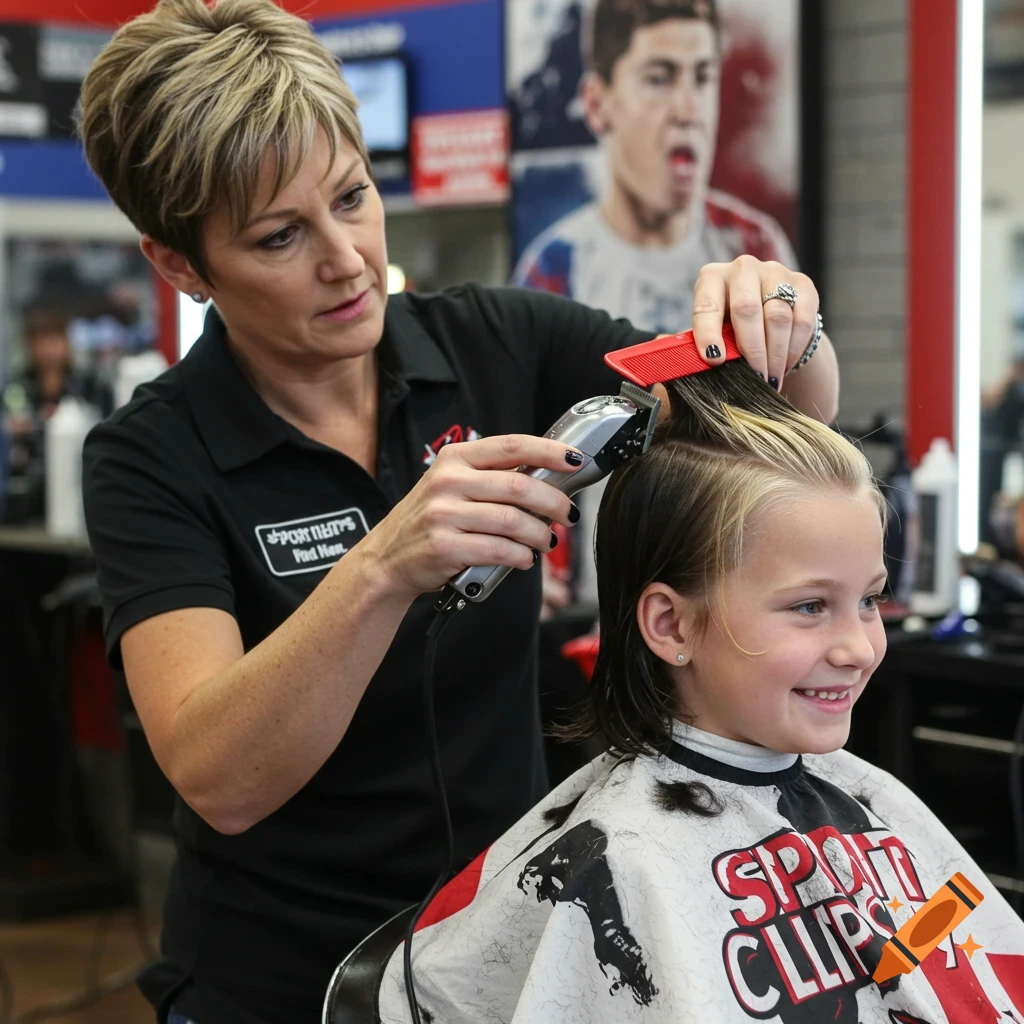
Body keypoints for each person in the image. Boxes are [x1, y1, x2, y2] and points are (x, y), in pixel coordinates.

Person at [74, 0, 838, 1020]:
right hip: (278, 981)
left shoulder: (500, 341)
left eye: (351, 197)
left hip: (507, 952)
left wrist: (785, 319)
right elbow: (221, 775)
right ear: (179, 264)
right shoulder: (151, 456)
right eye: (279, 236)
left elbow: (767, 424)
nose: (345, 258)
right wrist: (381, 568)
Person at [375, 358, 1024, 1024]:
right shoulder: (624, 861)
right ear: (671, 623)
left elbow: (942, 971)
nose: (859, 647)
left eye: (869, 600)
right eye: (808, 607)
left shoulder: (873, 803)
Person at [512, 0, 795, 335]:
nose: (689, 111)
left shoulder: (755, 245)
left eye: (703, 78)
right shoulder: (557, 266)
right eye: (659, 79)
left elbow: (794, 376)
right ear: (597, 104)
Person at [1, 307, 112, 522]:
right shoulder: (18, 387)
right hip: (29, 490)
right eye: (40, 341)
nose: (48, 350)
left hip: (78, 482)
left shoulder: (89, 385)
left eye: (54, 340)